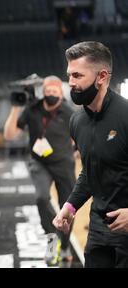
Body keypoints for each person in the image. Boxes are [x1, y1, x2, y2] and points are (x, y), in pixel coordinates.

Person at [53, 41, 128, 267]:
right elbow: (90, 171)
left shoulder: (125, 116)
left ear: (102, 76)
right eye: (69, 76)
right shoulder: (77, 121)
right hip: (98, 232)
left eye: (77, 76)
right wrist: (70, 206)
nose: (71, 83)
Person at [4, 75, 76, 265]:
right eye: (47, 91)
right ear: (42, 92)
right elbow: (9, 135)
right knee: (42, 197)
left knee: (68, 208)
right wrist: (15, 108)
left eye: (55, 91)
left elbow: (78, 139)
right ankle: (52, 240)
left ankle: (65, 244)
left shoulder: (69, 113)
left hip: (64, 163)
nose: (51, 94)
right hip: (39, 163)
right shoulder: (32, 109)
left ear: (61, 92)